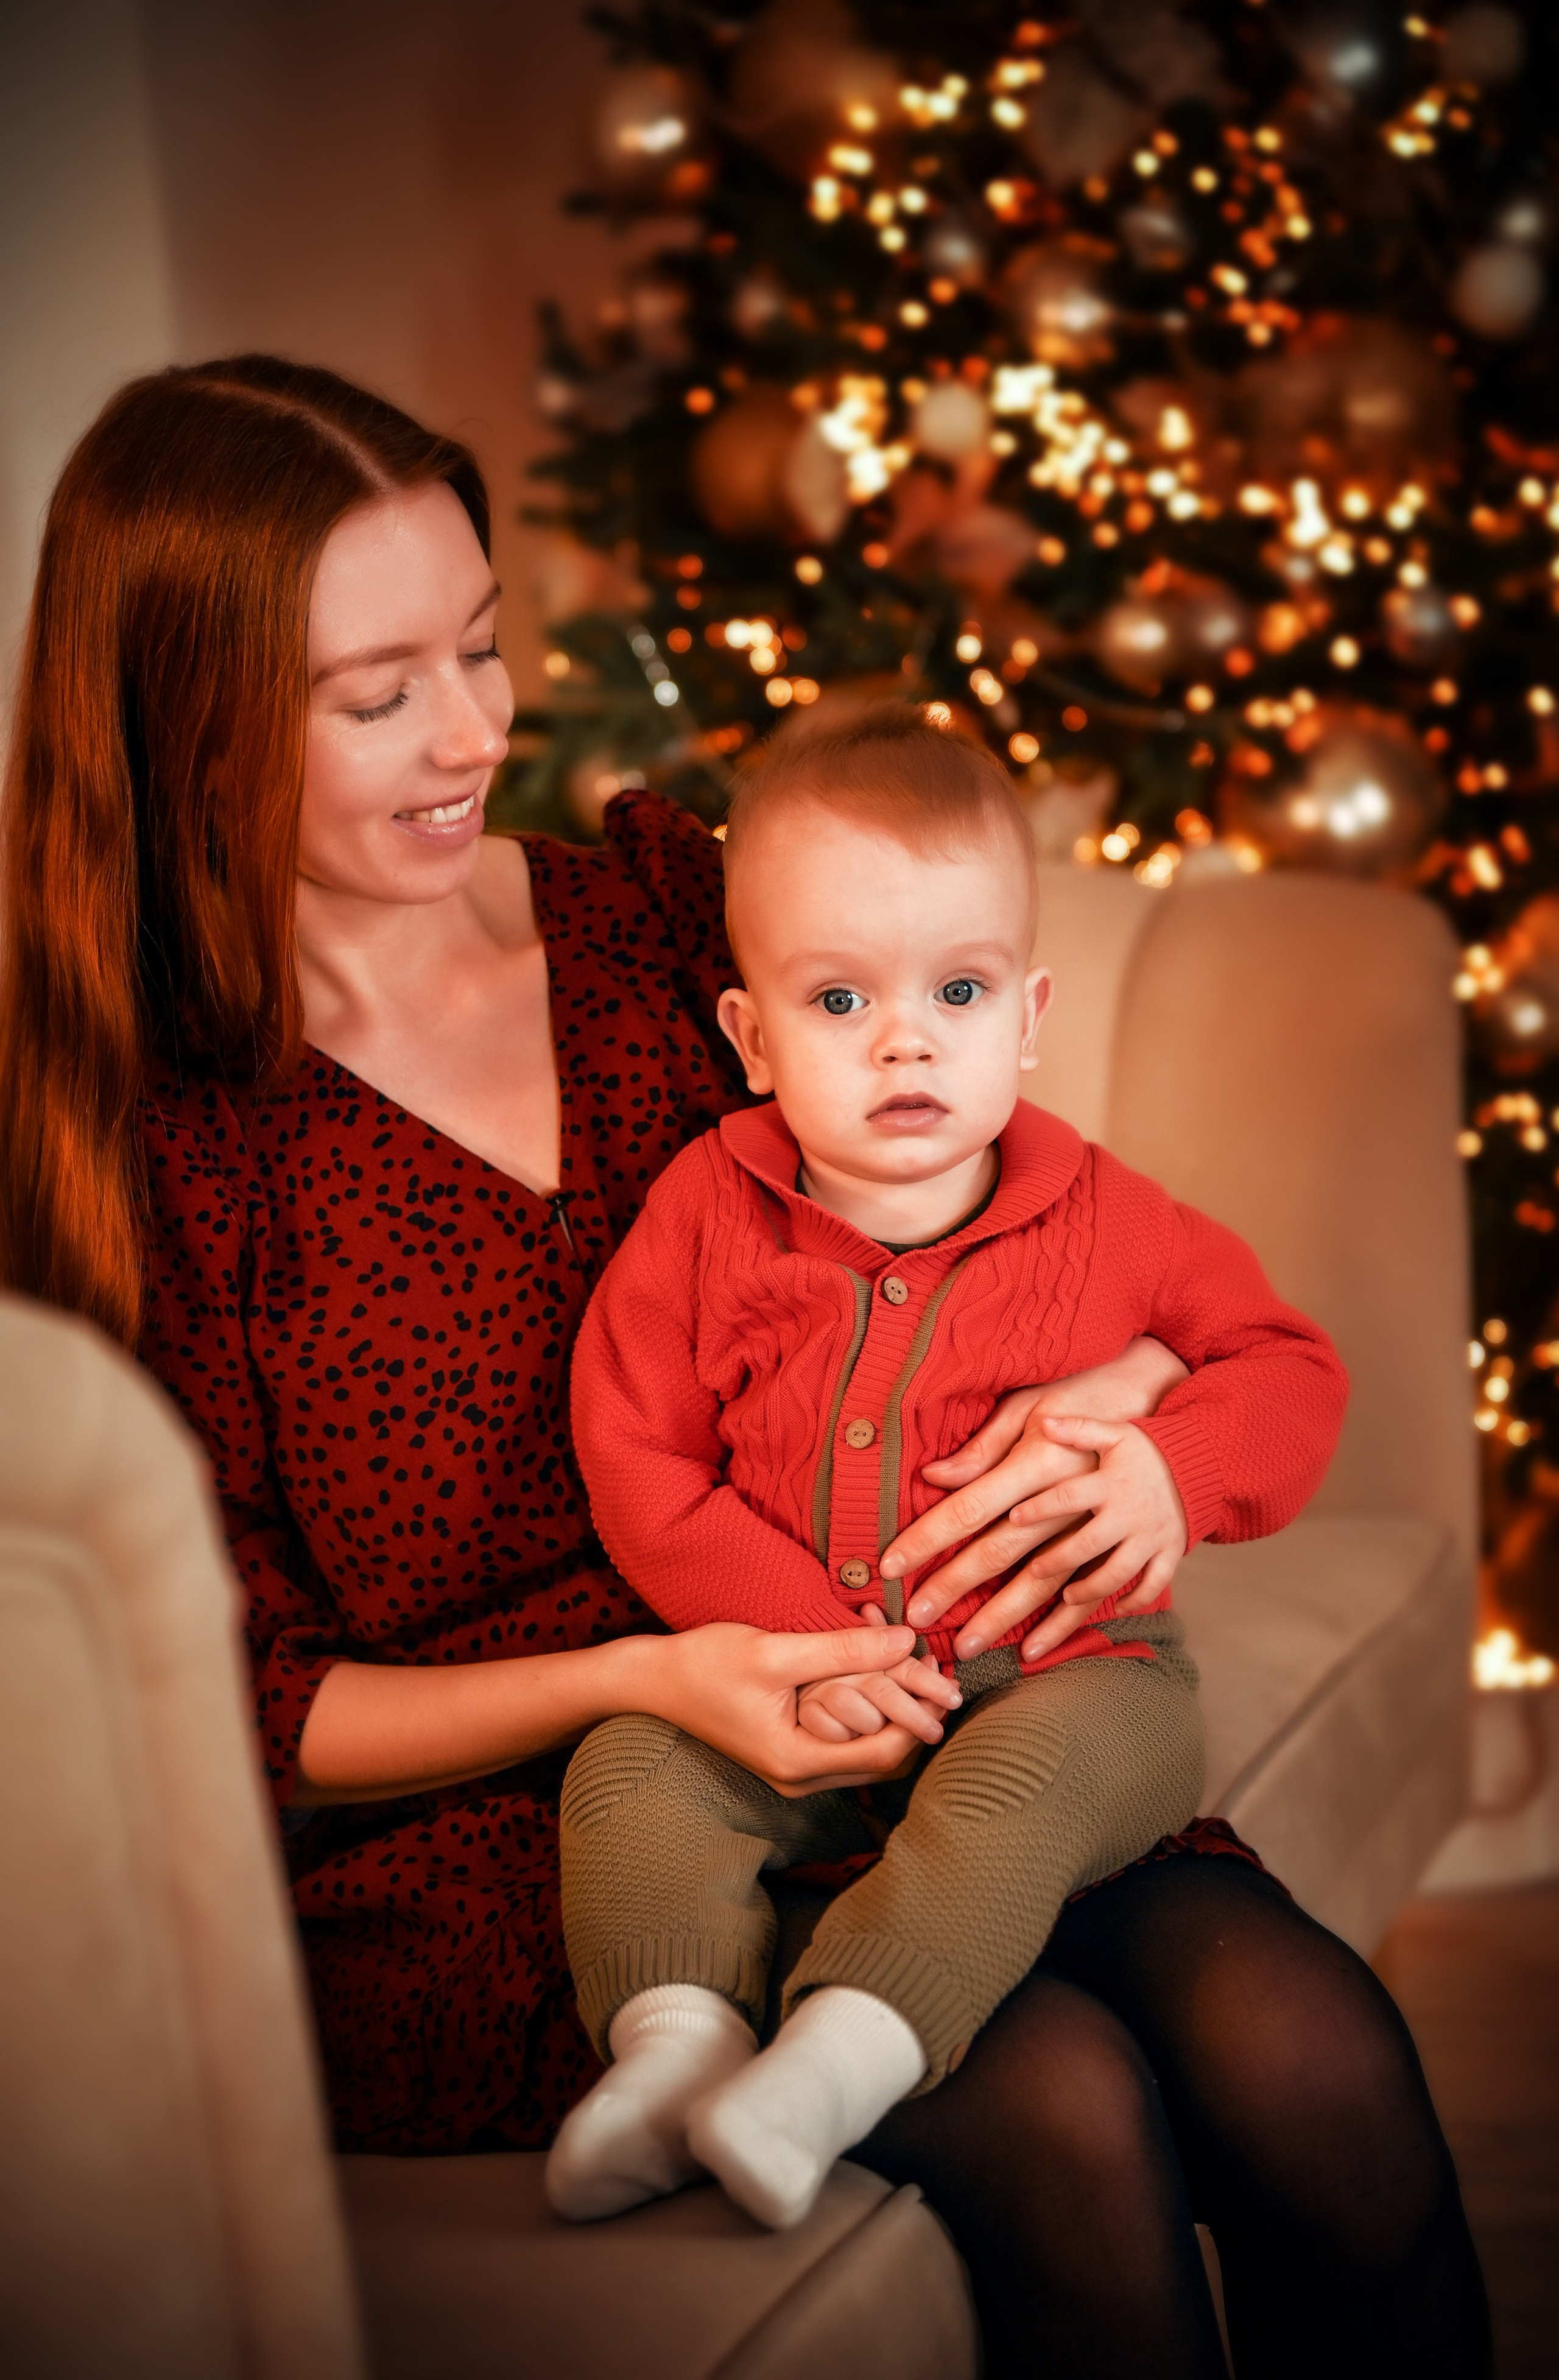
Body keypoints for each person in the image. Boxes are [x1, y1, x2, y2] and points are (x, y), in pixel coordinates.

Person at [0, 356, 1490, 2379]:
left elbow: (991, 1183)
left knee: (1317, 2057)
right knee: (1062, 2110)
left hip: (908, 1680)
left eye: (483, 645)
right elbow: (234, 1696)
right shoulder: (153, 1148)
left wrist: (1131, 1396)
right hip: (537, 1825)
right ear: (190, 721)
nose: (471, 735)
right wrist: (655, 1673)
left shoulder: (650, 912)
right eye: (378, 694)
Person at [547, 711, 1347, 2232]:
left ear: (1027, 1014)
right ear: (750, 1036)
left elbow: (1288, 1368)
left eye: (957, 991)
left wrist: (1171, 1473)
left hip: (1073, 1681)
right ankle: (672, 2046)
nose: (905, 1039)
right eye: (839, 998)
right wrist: (803, 1644)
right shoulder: (708, 1211)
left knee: (1016, 1788)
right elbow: (637, 1455)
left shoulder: (1109, 1215)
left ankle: (842, 2054)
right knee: (630, 1770)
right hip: (795, 1679)